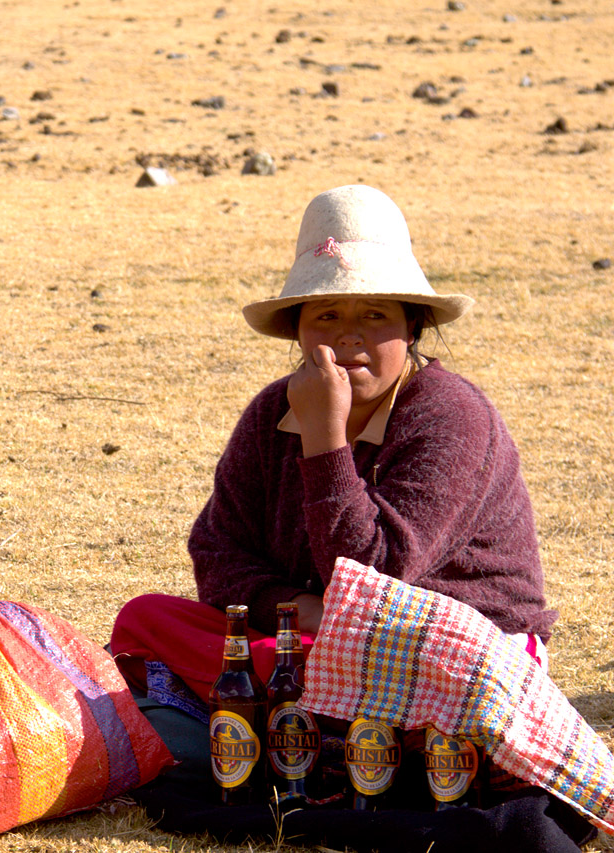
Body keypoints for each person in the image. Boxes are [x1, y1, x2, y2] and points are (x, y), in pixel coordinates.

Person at [110, 184, 555, 782]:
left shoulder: (450, 415)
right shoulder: (272, 414)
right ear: (298, 330)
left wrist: (325, 440)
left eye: (375, 315)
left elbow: (379, 572)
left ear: (413, 328)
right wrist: (300, 611)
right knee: (146, 621)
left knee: (431, 680)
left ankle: (261, 738)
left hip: (441, 656)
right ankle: (304, 737)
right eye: (326, 315)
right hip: (307, 648)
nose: (350, 337)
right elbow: (218, 554)